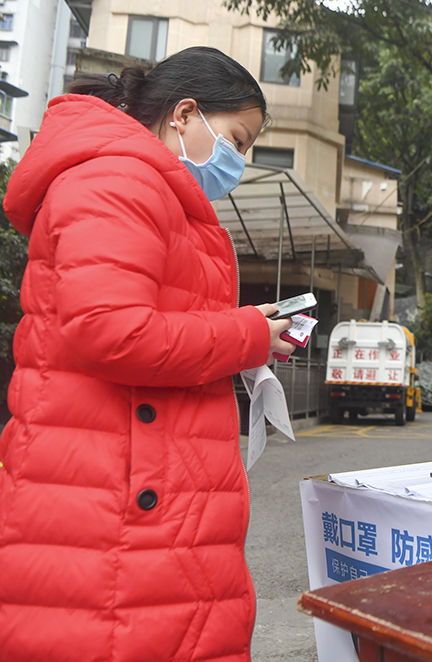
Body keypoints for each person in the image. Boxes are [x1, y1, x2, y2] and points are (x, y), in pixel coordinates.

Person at [0, 47, 295, 660]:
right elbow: (112, 331)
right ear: (185, 114)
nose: (239, 162)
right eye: (237, 141)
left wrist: (249, 333)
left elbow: (147, 319)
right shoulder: (118, 178)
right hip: (112, 502)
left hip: (126, 489)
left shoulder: (143, 183)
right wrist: (244, 336)